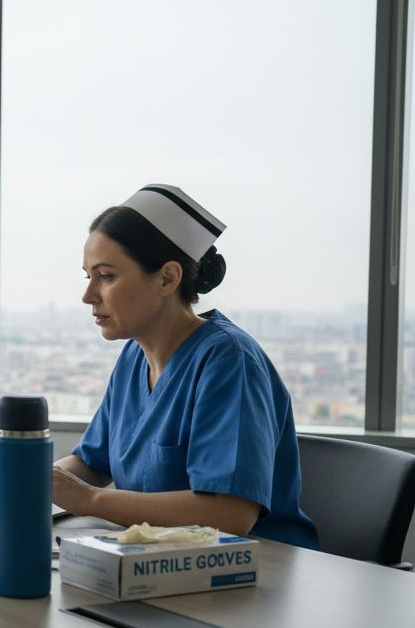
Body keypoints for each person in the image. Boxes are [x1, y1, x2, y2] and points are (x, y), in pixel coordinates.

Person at [43, 183, 316, 548]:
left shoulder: (229, 361)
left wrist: (89, 500)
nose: (88, 296)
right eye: (88, 277)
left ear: (168, 278)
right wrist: (23, 477)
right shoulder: (134, 357)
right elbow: (91, 464)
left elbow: (231, 515)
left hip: (256, 568)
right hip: (160, 561)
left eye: (106, 276)